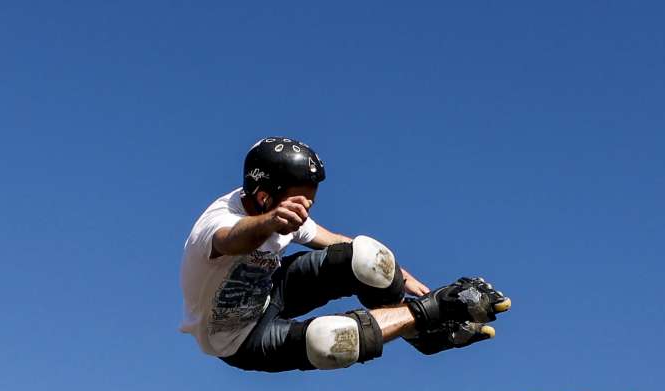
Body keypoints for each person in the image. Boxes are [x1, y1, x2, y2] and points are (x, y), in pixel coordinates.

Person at [179, 137, 510, 372]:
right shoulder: (219, 221)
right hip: (240, 339)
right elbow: (229, 240)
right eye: (299, 201)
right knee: (332, 342)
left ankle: (422, 334)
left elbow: (336, 242)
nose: (306, 209)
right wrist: (269, 223)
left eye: (310, 200)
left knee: (367, 257)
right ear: (264, 197)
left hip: (274, 290)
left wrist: (402, 276)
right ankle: (428, 316)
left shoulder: (284, 209)